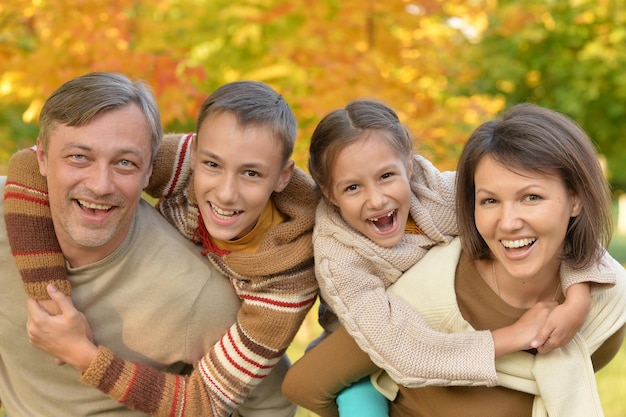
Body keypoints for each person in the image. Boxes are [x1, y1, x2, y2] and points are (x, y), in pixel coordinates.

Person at [284, 101, 626, 417]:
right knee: (358, 398)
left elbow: (577, 239)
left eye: (531, 197)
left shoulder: (443, 195)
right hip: (372, 330)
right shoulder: (343, 260)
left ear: (408, 166)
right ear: (329, 194)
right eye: (352, 188)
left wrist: (579, 294)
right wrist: (514, 336)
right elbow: (396, 348)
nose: (376, 200)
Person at [5, 80, 320, 416]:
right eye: (79, 157)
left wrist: (85, 356)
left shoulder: (264, 290)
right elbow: (23, 164)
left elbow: (229, 403)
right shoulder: (191, 164)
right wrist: (49, 297)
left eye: (125, 163)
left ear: (148, 171)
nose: (100, 184)